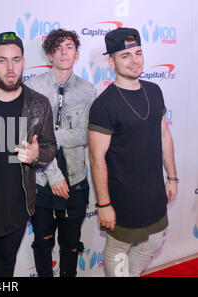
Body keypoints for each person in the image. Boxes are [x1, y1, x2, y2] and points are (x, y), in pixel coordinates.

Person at [0, 32, 57, 277]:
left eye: (16, 59)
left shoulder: (39, 103)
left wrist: (37, 155)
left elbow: (50, 146)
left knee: (6, 267)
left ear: (23, 62)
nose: (10, 67)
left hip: (18, 207)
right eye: (2, 60)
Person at [88, 27, 178, 277]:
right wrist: (104, 203)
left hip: (154, 190)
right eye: (125, 56)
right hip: (122, 196)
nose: (134, 60)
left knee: (155, 241)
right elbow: (96, 157)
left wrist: (171, 177)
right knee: (118, 247)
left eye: (138, 52)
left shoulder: (153, 90)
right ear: (111, 61)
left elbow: (164, 135)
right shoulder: (103, 105)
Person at [25, 29, 97, 277]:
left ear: (76, 53)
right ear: (49, 54)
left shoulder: (88, 90)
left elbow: (86, 135)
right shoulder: (33, 87)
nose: (64, 52)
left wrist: (50, 135)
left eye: (69, 46)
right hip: (43, 180)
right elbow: (30, 139)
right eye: (58, 47)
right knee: (42, 244)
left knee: (70, 245)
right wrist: (52, 174)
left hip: (76, 181)